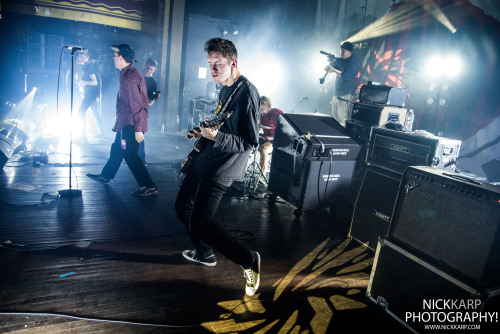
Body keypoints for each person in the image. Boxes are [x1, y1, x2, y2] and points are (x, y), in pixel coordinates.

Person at [174, 38, 261, 296]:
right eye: (210, 63)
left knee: (201, 222)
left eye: (217, 64)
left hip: (224, 165)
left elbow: (249, 142)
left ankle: (248, 261)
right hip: (207, 158)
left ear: (233, 63)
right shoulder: (225, 88)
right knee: (182, 206)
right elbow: (223, 120)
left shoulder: (248, 92)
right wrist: (204, 130)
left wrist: (215, 137)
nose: (212, 69)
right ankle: (205, 253)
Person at [86, 44, 158, 197]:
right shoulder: (127, 74)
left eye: (115, 54)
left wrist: (139, 128)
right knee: (117, 149)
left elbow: (137, 104)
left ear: (122, 57)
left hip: (131, 125)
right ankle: (105, 176)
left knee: (130, 155)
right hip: (126, 123)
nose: (113, 57)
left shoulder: (130, 78)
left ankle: (149, 186)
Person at [324, 41, 359, 126]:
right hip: (337, 94)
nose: (341, 53)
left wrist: (334, 70)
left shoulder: (353, 63)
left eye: (343, 51)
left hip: (345, 95)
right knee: (334, 119)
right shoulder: (343, 60)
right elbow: (336, 61)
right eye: (341, 51)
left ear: (349, 52)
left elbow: (346, 76)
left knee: (341, 119)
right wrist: (333, 59)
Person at [75, 50, 101, 140]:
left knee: (81, 111)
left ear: (87, 57)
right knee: (95, 112)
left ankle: (83, 135)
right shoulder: (85, 66)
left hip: (91, 93)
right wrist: (79, 82)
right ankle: (103, 132)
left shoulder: (89, 66)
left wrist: (81, 81)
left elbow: (95, 82)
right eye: (79, 57)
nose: (80, 58)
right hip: (90, 93)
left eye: (82, 57)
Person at [138, 58, 160, 165]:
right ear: (144, 65)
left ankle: (141, 160)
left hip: (142, 112)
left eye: (151, 70)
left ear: (154, 70)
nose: (148, 71)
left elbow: (152, 101)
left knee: (139, 136)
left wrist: (145, 103)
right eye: (147, 68)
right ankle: (127, 155)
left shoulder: (153, 83)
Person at [258, 96, 284, 174]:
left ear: (268, 106)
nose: (261, 112)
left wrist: (272, 137)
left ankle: (263, 173)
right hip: (266, 137)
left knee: (263, 149)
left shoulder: (277, 113)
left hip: (277, 139)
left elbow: (286, 130)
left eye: (262, 110)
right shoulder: (261, 115)